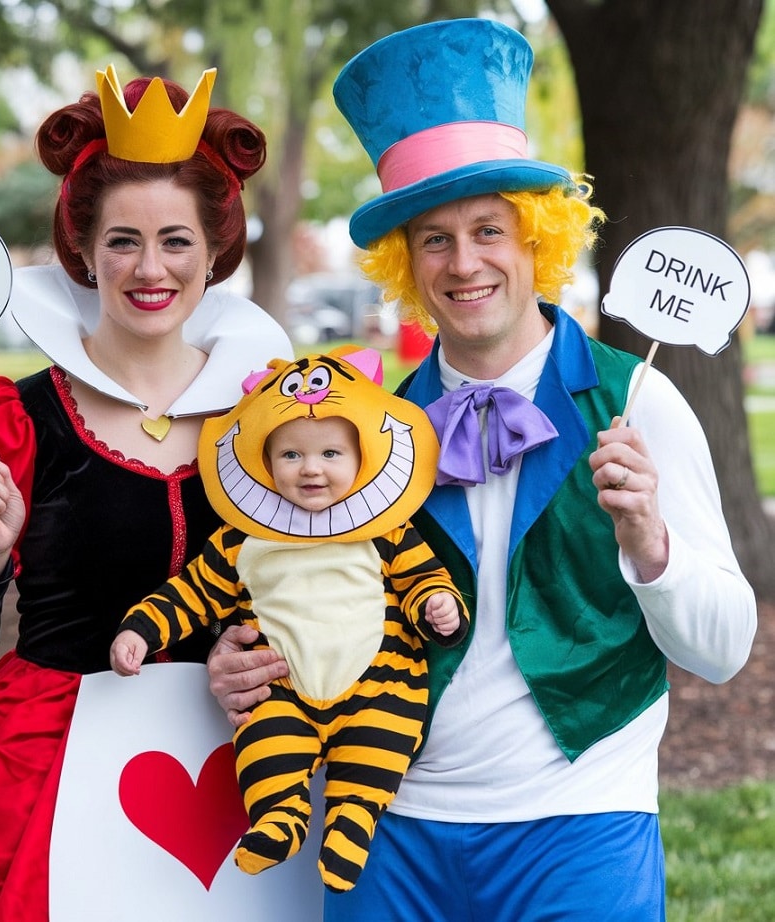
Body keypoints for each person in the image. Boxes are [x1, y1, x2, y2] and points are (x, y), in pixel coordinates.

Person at [208, 18, 757, 920]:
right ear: (405, 263)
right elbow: (291, 582)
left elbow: (725, 648)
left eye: (489, 230)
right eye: (434, 239)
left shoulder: (638, 404)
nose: (465, 264)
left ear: (535, 238)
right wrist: (240, 658)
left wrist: (652, 545)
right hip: (383, 822)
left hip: (582, 822)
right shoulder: (363, 430)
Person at [0, 62, 292, 921]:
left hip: (247, 768)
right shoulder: (8, 423)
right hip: (44, 770)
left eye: (176, 240)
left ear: (215, 251)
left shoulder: (277, 416)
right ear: (83, 250)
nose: (150, 268)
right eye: (123, 241)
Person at [111, 345, 470, 892]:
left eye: (331, 453)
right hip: (283, 688)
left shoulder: (385, 529)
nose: (311, 470)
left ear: (360, 460)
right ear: (265, 462)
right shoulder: (243, 540)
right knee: (264, 743)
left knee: (382, 742)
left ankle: (355, 817)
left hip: (377, 685)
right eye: (292, 456)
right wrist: (140, 628)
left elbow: (424, 578)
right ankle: (280, 816)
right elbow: (193, 592)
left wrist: (437, 606)